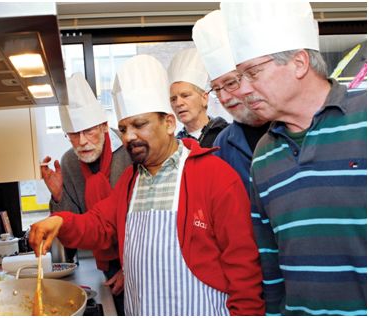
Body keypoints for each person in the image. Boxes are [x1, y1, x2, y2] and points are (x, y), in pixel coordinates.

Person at [30, 55, 265, 315]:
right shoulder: (131, 181)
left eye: (139, 125)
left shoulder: (214, 175)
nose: (129, 136)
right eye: (123, 128)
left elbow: (243, 264)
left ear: (169, 123)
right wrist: (61, 222)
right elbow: (99, 224)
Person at [221, 1, 367, 315]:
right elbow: (270, 258)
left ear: (299, 63)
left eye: (253, 73)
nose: (242, 90)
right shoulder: (263, 154)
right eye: (239, 76)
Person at [40, 72, 131, 315]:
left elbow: (143, 220)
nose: (82, 142)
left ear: (103, 126)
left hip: (138, 262)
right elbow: (73, 224)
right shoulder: (70, 162)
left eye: (88, 131)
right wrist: (58, 195)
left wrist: (130, 269)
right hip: (105, 263)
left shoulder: (130, 153)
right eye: (73, 134)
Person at [192, 10, 270, 190]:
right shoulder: (222, 144)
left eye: (230, 83)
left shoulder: (290, 125)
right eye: (217, 89)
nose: (224, 97)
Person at [168, 48, 229, 147]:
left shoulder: (227, 135)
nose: (178, 103)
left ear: (204, 98)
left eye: (185, 95)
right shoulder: (175, 146)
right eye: (173, 99)